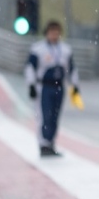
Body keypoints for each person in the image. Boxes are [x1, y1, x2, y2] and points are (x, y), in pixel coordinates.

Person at [25, 20, 79, 158]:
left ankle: (51, 142)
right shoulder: (38, 49)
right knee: (45, 115)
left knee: (55, 115)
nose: (54, 35)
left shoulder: (65, 50)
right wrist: (31, 84)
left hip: (59, 86)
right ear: (47, 33)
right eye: (51, 32)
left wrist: (75, 85)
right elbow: (30, 67)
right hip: (44, 86)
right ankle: (43, 143)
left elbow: (71, 69)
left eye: (56, 32)